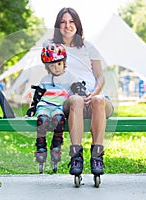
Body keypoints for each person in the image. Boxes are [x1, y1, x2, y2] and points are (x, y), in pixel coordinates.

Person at [51, 7, 114, 185]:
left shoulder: (89, 47)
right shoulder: (53, 47)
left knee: (98, 100)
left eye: (71, 22)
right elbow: (51, 76)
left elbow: (100, 76)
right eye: (63, 22)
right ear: (58, 26)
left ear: (77, 25)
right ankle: (76, 156)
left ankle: (97, 156)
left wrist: (94, 92)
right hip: (70, 100)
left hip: (94, 97)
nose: (67, 25)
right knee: (77, 100)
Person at [25, 43, 86, 173]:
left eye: (59, 64)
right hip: (45, 106)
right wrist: (31, 110)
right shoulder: (45, 79)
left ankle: (56, 147)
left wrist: (80, 91)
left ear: (64, 63)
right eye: (52, 66)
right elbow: (38, 96)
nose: (56, 68)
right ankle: (41, 147)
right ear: (47, 67)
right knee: (42, 121)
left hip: (58, 106)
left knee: (58, 120)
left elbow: (77, 87)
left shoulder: (70, 76)